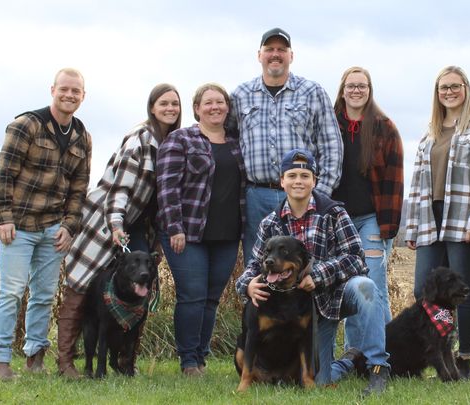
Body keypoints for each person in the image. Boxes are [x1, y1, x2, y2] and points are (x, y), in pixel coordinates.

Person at [236, 148, 390, 396]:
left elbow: (356, 258)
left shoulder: (334, 213)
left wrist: (317, 275)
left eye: (305, 176)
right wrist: (247, 285)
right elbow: (255, 263)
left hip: (334, 296)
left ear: (314, 181)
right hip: (304, 308)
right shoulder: (270, 223)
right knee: (318, 380)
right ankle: (349, 361)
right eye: (292, 175)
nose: (298, 181)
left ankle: (378, 367)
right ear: (282, 181)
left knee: (367, 286)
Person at [55, 83, 182, 378]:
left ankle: (125, 359)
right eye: (163, 103)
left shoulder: (171, 142)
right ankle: (66, 361)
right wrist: (115, 224)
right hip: (106, 219)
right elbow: (119, 187)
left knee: (141, 288)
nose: (170, 109)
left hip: (139, 225)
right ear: (152, 107)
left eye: (175, 104)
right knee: (82, 285)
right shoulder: (140, 139)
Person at [0, 68, 91, 380]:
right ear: (53, 90)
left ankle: (35, 358)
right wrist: (3, 218)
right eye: (64, 89)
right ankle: (0, 361)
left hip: (53, 229)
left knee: (44, 296)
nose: (69, 95)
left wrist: (70, 226)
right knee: (11, 292)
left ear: (83, 96)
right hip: (18, 226)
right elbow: (4, 173)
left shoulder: (82, 136)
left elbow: (79, 189)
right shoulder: (26, 125)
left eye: (76, 91)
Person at [403, 66, 470, 379]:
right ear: (437, 92)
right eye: (443, 87)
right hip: (430, 218)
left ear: (466, 88)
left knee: (463, 291)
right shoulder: (430, 132)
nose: (449, 92)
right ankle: (436, 355)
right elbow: (417, 182)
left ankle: (464, 359)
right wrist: (413, 226)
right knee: (424, 289)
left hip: (464, 216)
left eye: (455, 86)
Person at [228, 27, 343, 263]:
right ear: (259, 55)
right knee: (259, 264)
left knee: (305, 263)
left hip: (302, 195)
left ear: (291, 55)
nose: (275, 54)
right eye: (269, 49)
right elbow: (227, 140)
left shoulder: (312, 92)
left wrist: (320, 194)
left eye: (282, 49)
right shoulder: (240, 95)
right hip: (256, 196)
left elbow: (332, 145)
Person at [156, 83, 246, 376]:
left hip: (227, 233)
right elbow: (167, 187)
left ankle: (201, 357)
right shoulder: (180, 140)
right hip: (188, 232)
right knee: (192, 295)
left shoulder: (237, 143)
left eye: (220, 102)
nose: (215, 107)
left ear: (227, 107)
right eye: (208, 102)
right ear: (197, 109)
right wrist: (174, 227)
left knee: (210, 298)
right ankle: (188, 361)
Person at [332, 66, 404, 350]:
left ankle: (383, 353)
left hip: (372, 219)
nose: (356, 90)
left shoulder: (384, 127)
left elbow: (394, 181)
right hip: (338, 221)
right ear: (342, 90)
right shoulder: (330, 124)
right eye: (351, 86)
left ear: (369, 90)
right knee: (350, 285)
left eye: (362, 86)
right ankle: (353, 352)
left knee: (374, 285)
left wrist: (389, 229)